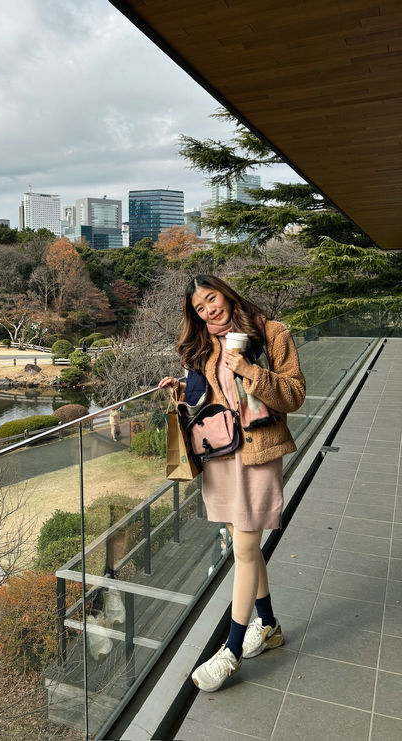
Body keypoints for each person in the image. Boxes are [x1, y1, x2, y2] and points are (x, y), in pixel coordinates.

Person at [159, 275, 305, 693]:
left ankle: (232, 650)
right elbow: (211, 398)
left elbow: (295, 394)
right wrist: (182, 390)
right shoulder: (205, 344)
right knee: (244, 545)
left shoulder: (271, 334)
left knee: (243, 548)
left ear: (226, 294)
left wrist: (250, 371)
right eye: (200, 308)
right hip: (222, 454)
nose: (209, 310)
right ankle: (269, 625)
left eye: (212, 299)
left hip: (259, 451)